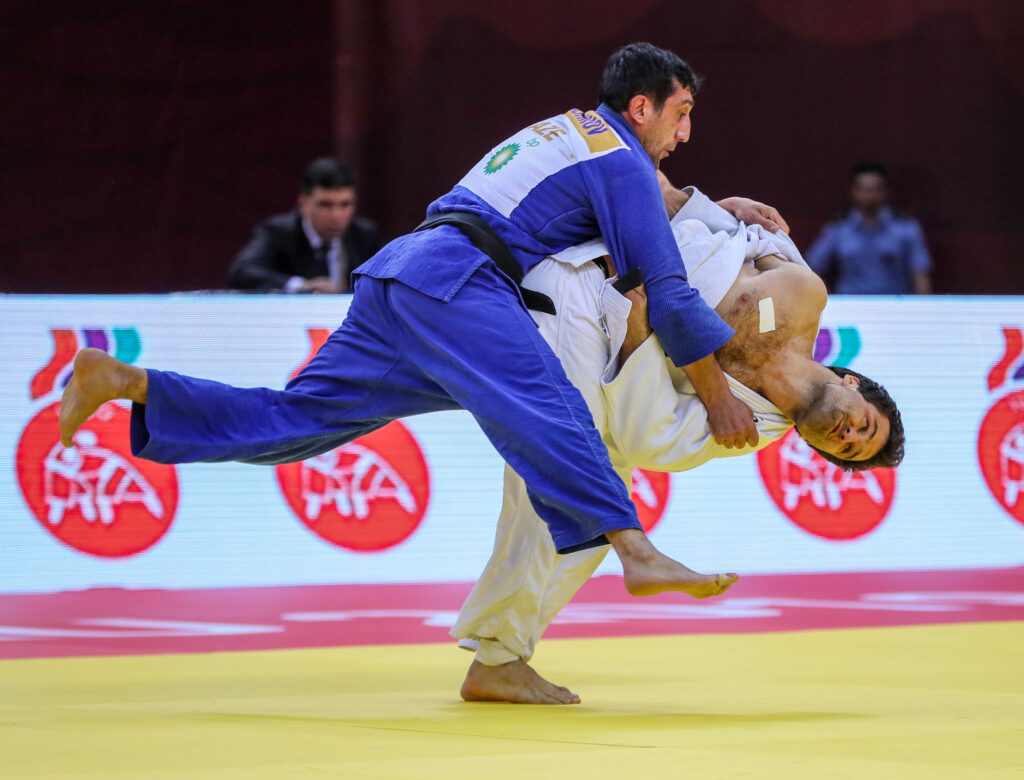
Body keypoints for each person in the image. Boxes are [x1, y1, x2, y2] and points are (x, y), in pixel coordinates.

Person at [60, 43, 786, 602]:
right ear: (642, 107)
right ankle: (638, 553)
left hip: (402, 273)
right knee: (555, 403)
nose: (686, 131)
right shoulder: (620, 161)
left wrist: (712, 206)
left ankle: (132, 382)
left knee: (300, 420)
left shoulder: (573, 134)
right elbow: (668, 290)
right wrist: (716, 393)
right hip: (459, 284)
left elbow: (645, 199)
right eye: (681, 111)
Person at [452, 177, 905, 704]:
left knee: (584, 497)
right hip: (582, 273)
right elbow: (742, 234)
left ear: (817, 449)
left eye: (846, 448)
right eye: (863, 425)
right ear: (853, 384)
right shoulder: (806, 293)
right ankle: (502, 654)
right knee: (575, 478)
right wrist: (721, 205)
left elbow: (651, 439)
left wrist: (637, 334)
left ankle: (499, 657)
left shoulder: (753, 424)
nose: (847, 434)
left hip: (600, 316)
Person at [226, 157, 382, 293]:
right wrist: (302, 286)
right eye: (325, 205)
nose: (336, 215)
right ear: (304, 203)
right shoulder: (278, 233)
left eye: (345, 204)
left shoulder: (365, 235)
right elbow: (242, 272)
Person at [805, 161, 932, 295]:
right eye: (863, 189)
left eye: (875, 189)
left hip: (894, 305)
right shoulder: (838, 227)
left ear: (885, 191)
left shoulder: (906, 227)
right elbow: (812, 267)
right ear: (853, 191)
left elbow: (920, 273)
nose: (869, 195)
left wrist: (923, 308)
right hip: (850, 304)